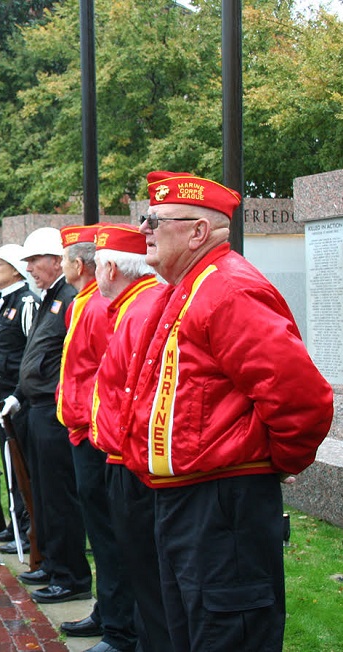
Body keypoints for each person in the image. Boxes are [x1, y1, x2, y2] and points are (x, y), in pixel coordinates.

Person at [119, 171, 334, 651]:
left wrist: (271, 464)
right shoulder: (191, 286)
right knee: (191, 634)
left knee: (226, 635)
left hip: (220, 507)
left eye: (155, 220)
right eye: (144, 219)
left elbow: (302, 399)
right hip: (188, 503)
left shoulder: (227, 290)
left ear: (198, 231)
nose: (144, 230)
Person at [89, 223, 172, 652]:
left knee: (146, 574)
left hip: (133, 463)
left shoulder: (140, 308)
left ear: (109, 266)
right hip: (125, 457)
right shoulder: (131, 306)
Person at [55, 225, 136, 652]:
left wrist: (89, 424)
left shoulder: (98, 307)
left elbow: (108, 372)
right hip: (83, 431)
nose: (60, 264)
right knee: (101, 533)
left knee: (109, 535)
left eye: (65, 257)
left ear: (82, 264)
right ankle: (109, 613)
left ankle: (120, 629)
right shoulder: (85, 303)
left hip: (94, 435)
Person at [0, 226, 92, 605]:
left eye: (35, 260)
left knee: (59, 498)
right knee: (42, 492)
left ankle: (70, 575)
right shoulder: (49, 298)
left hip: (55, 413)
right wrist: (20, 394)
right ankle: (53, 563)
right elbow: (37, 355)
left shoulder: (68, 298)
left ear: (58, 261)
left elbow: (69, 361)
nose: (29, 268)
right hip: (36, 408)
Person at [0, 244, 38, 550]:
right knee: (10, 464)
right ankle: (18, 523)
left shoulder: (26, 302)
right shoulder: (7, 302)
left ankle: (29, 528)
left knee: (23, 466)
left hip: (20, 401)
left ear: (15, 269)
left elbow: (30, 353)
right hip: (2, 396)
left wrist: (18, 395)